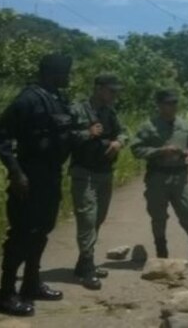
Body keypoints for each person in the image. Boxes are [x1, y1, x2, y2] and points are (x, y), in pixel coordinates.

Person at [0, 54, 74, 316]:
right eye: (65, 72)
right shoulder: (27, 99)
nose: (68, 77)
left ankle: (31, 283)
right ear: (52, 73)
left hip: (50, 176)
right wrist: (16, 173)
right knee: (21, 235)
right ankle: (6, 294)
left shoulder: (57, 99)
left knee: (42, 231)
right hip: (29, 178)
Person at [130, 90, 188, 266]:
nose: (172, 107)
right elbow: (136, 149)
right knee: (158, 215)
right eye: (168, 103)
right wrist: (160, 151)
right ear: (159, 105)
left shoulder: (184, 125)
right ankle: (162, 252)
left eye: (174, 103)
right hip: (157, 177)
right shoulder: (149, 126)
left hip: (180, 178)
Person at [69, 74, 127, 290]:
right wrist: (87, 133)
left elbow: (124, 132)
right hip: (83, 171)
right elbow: (64, 136)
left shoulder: (110, 111)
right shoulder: (77, 109)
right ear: (98, 88)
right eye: (112, 91)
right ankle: (87, 267)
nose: (115, 94)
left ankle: (83, 262)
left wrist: (119, 142)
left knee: (98, 218)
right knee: (87, 218)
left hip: (104, 171)